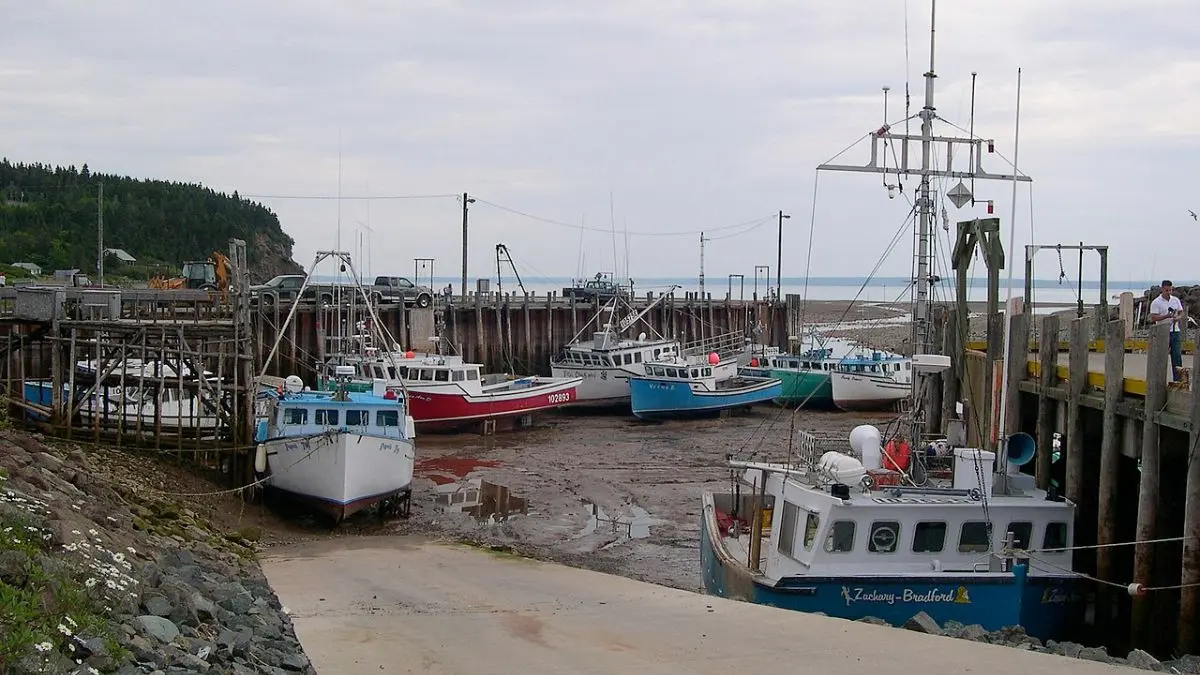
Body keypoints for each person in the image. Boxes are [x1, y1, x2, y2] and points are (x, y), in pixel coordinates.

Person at [1149, 280, 1186, 381]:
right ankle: (1158, 380)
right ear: (1162, 289)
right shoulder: (1156, 302)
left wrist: (1178, 317)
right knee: (1160, 356)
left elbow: (1181, 312)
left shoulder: (1175, 300)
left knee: (1177, 356)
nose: (1169, 292)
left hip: (1175, 330)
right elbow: (1153, 317)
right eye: (1166, 290)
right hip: (1162, 331)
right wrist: (1166, 316)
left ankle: (1178, 380)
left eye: (1170, 290)